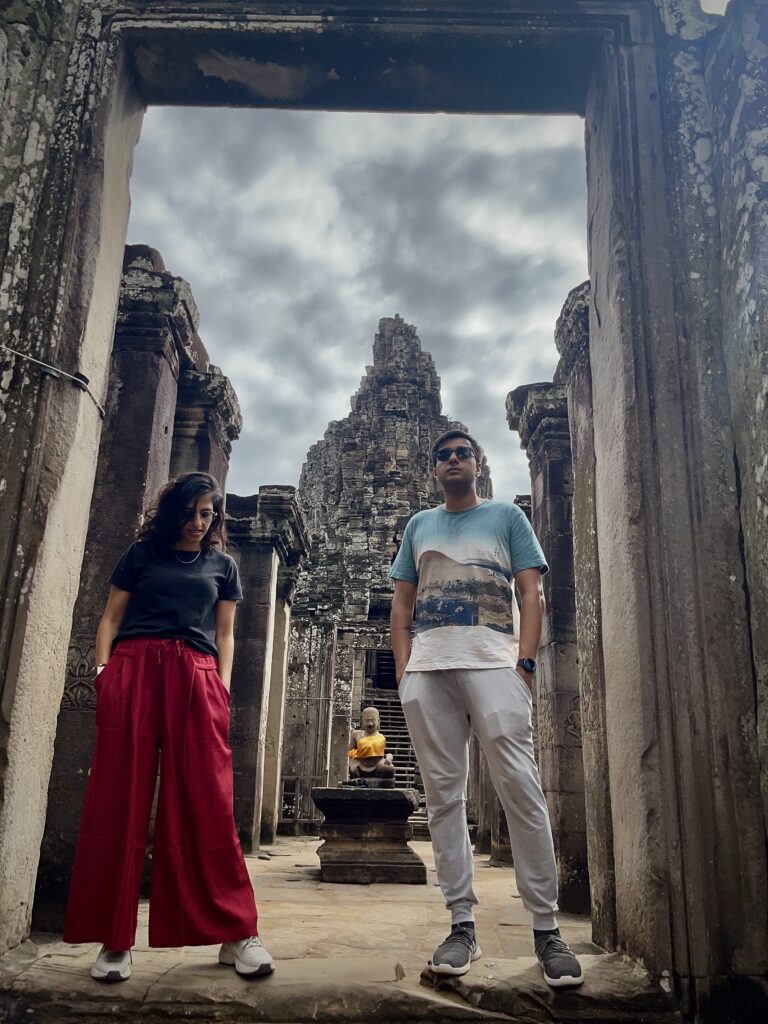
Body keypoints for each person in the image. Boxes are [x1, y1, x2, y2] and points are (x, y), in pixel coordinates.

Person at [389, 430, 583, 988]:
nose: (452, 460)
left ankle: (547, 928)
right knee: (443, 798)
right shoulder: (419, 526)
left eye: (462, 453)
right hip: (429, 669)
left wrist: (525, 663)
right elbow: (404, 599)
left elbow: (531, 592)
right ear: (434, 470)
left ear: (478, 463)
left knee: (521, 787)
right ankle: (461, 923)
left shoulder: (505, 517)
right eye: (443, 455)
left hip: (495, 662)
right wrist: (404, 670)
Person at [63, 472, 274, 982]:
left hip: (196, 675)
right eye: (192, 512)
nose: (200, 523)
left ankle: (236, 931)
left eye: (209, 514)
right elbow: (111, 617)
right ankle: (115, 941)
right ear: (174, 510)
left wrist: (221, 687)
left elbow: (224, 633)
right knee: (121, 797)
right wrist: (103, 672)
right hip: (134, 669)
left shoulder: (223, 566)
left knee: (206, 800)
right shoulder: (141, 555)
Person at [348, 706, 395, 781]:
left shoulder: (381, 737)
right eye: (367, 720)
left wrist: (389, 758)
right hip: (360, 765)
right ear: (362, 721)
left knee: (389, 769)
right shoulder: (356, 734)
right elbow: (351, 752)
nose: (370, 724)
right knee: (353, 771)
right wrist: (354, 762)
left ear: (378, 721)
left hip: (378, 765)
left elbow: (386, 755)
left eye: (373, 720)